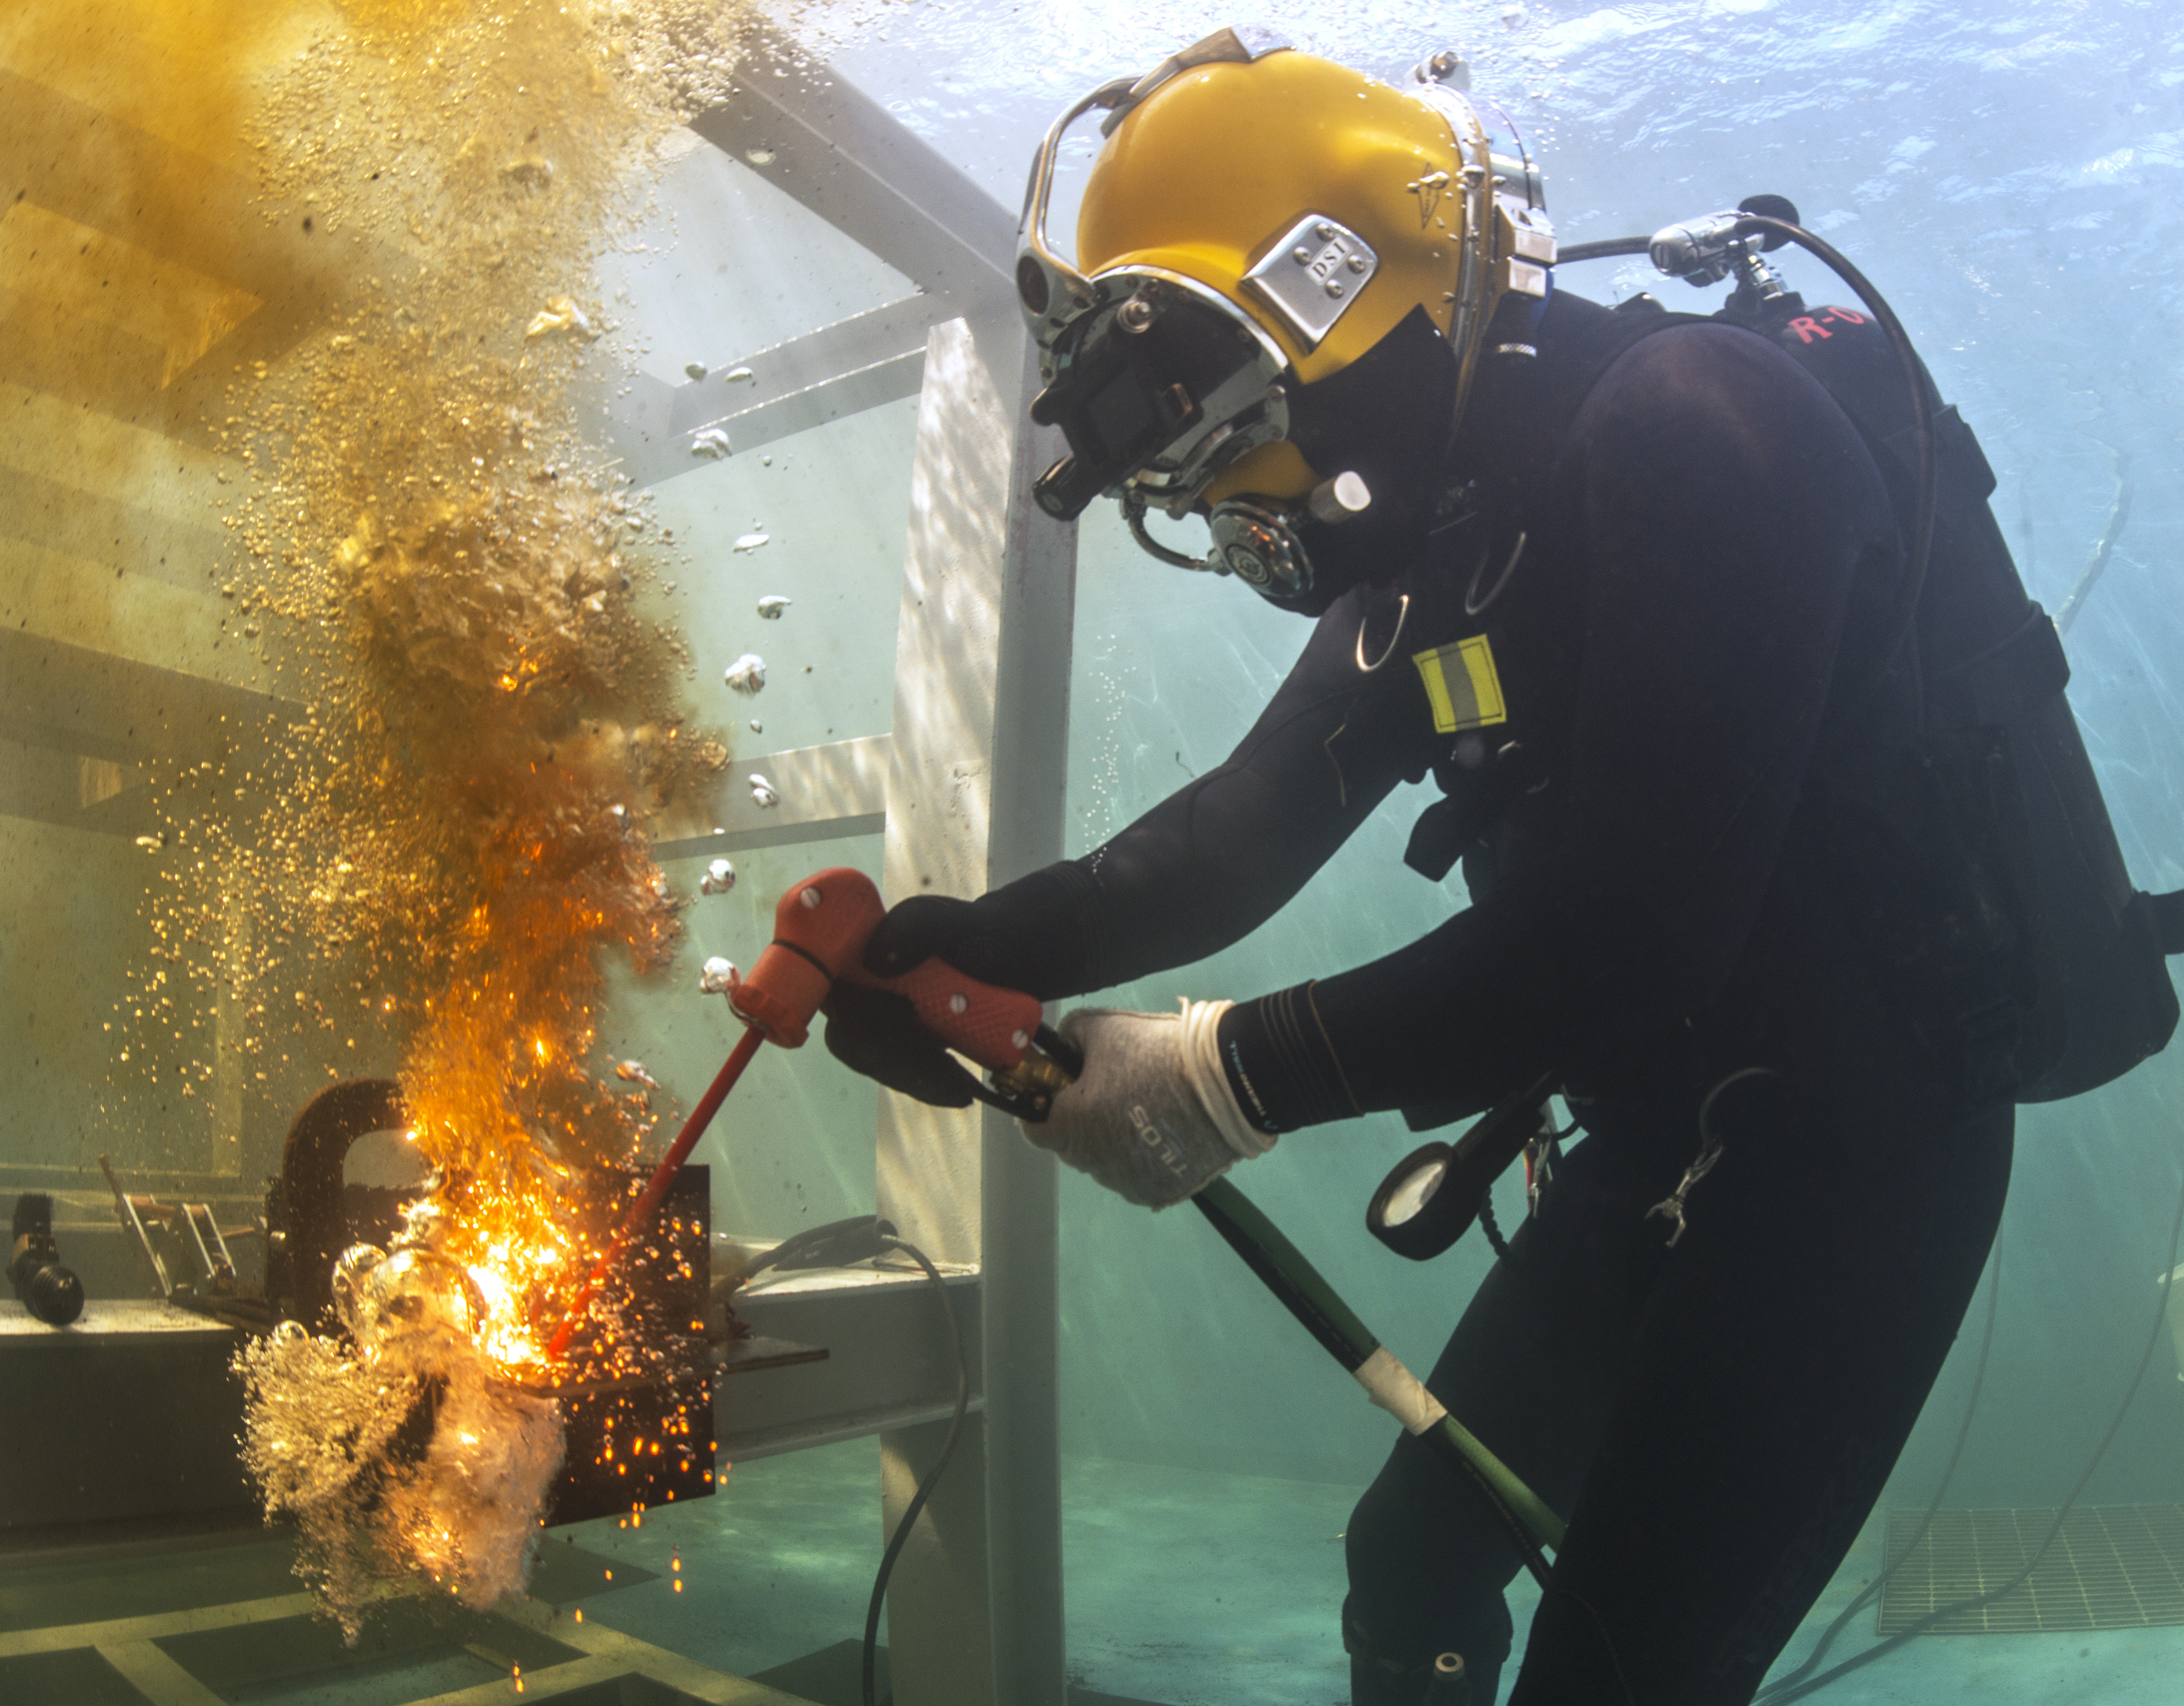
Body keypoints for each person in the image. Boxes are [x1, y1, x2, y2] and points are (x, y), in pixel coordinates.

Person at [821, 29, 2029, 1705]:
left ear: (1350, 296)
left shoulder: (1702, 425)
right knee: (1412, 1563)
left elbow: (1634, 931)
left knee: (1620, 1671)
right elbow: (1233, 836)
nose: (1232, 505)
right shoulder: (1446, 544)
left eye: (1227, 426)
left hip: (1859, 1138)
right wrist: (971, 949)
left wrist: (1226, 1077)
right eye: (1190, 470)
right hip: (1654, 1133)